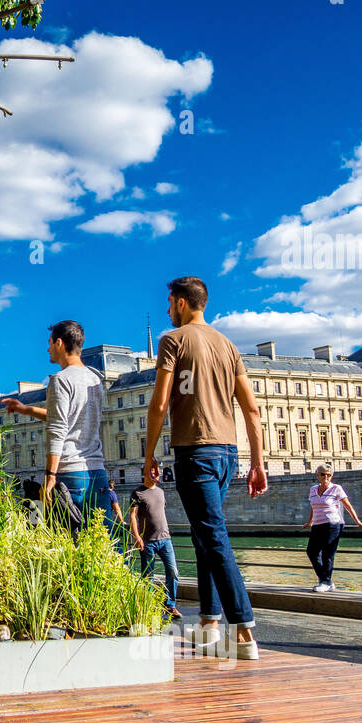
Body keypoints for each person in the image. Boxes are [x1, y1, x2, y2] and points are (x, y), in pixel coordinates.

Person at [143, 276, 268, 662]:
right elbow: (250, 409)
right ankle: (210, 624)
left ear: (181, 303)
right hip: (227, 453)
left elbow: (160, 403)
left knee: (213, 536)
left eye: (169, 302)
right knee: (203, 535)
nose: (167, 309)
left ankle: (244, 630)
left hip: (194, 449)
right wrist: (258, 462)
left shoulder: (173, 340)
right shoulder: (228, 345)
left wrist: (149, 455)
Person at [1, 320, 108, 539]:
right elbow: (68, 418)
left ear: (59, 342)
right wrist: (26, 409)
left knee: (67, 543)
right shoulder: (95, 379)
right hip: (97, 472)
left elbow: (58, 429)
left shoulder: (60, 380)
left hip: (70, 474)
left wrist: (50, 476)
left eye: (49, 343)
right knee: (99, 543)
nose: (48, 348)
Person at [302, 464, 362, 592]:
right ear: (317, 475)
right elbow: (313, 506)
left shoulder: (336, 488)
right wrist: (310, 521)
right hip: (317, 524)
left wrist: (358, 522)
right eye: (323, 474)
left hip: (333, 524)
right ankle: (326, 580)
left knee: (327, 554)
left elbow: (347, 505)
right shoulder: (313, 489)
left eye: (329, 475)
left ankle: (325, 582)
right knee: (311, 552)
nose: (326, 477)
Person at [128, 474, 181, 619]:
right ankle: (148, 606)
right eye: (153, 471)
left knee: (173, 571)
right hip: (147, 541)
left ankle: (170, 605)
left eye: (157, 471)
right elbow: (133, 515)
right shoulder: (137, 493)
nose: (156, 474)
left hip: (165, 539)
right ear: (145, 473)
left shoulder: (161, 491)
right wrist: (137, 536)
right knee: (148, 576)